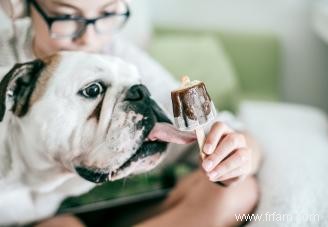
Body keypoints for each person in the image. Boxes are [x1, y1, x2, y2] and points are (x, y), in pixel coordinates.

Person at [0, 0, 262, 226]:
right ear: (20, 6)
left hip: (106, 207)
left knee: (238, 193)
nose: (88, 38)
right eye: (67, 17)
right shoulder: (11, 65)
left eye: (107, 14)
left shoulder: (118, 57)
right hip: (47, 216)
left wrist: (235, 155)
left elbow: (225, 132)